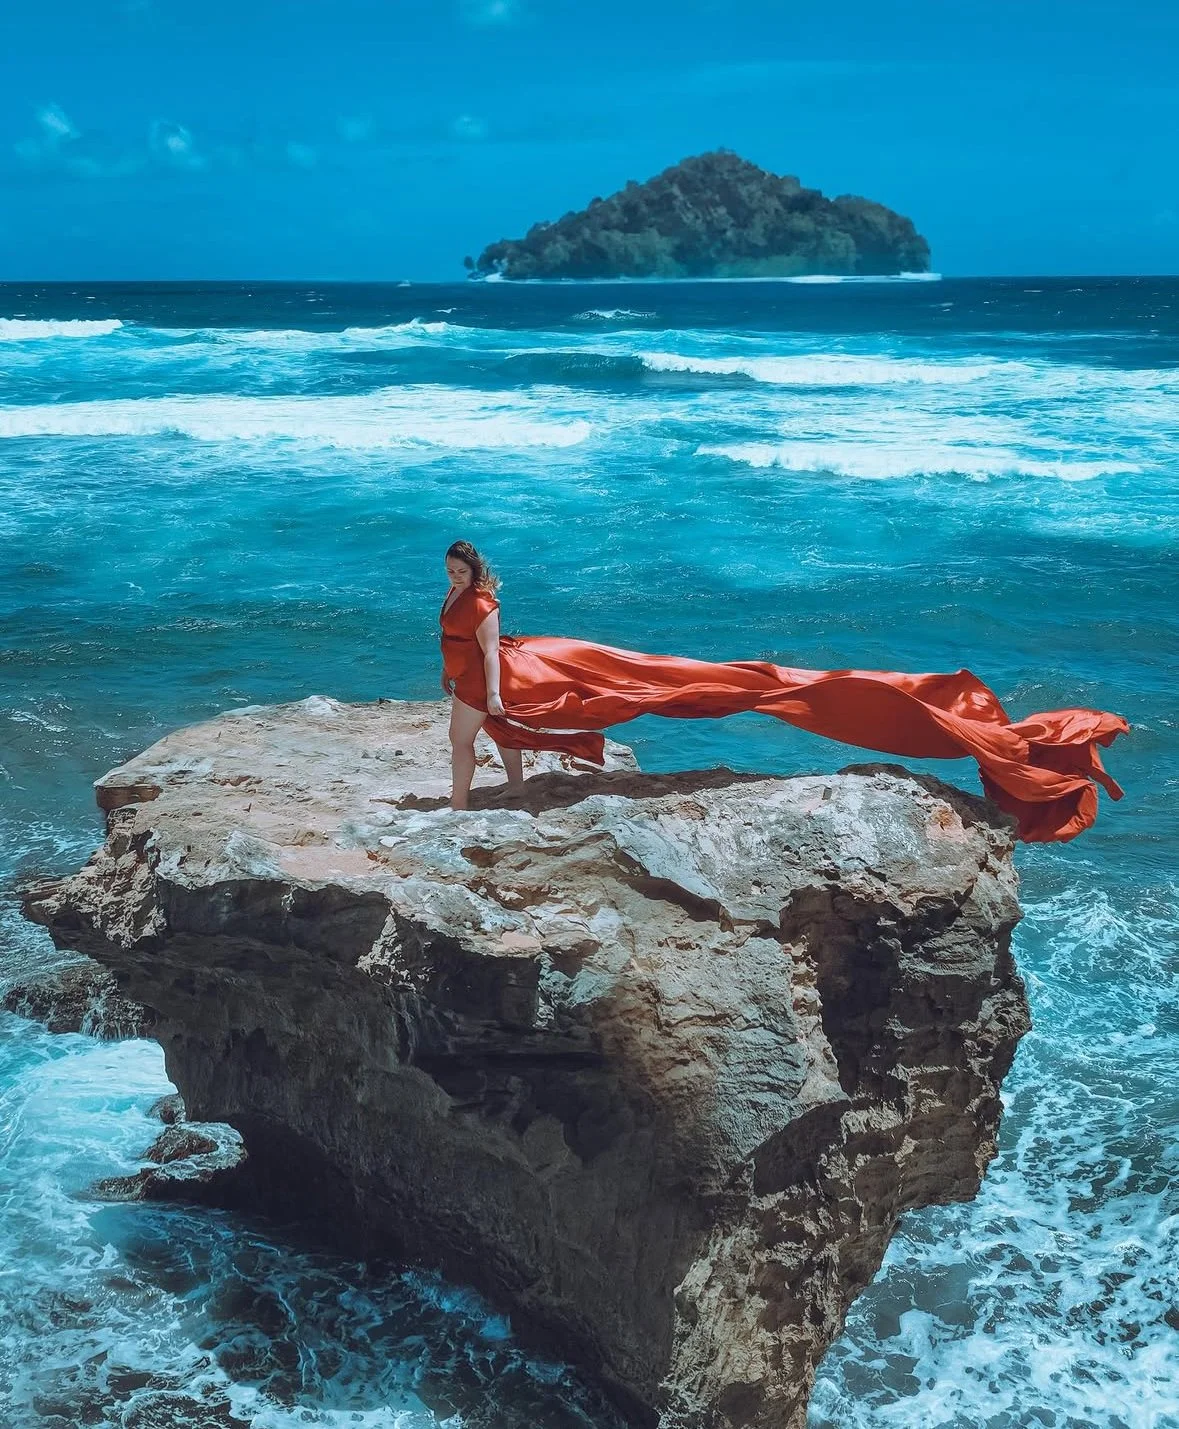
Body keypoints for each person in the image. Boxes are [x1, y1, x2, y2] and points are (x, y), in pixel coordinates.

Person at [438, 540, 1128, 840]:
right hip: (482, 679)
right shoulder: (457, 602)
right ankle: (495, 795)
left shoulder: (487, 608)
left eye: (460, 573)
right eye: (449, 573)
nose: (454, 581)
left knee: (710, 685)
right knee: (498, 734)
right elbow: (469, 649)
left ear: (476, 574)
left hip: (499, 678)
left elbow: (493, 657)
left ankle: (464, 805)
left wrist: (495, 692)